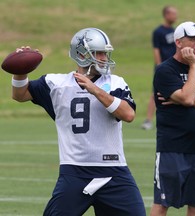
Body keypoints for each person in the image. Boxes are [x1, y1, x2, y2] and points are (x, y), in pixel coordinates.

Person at [11, 28, 146, 216]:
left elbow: (128, 114)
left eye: (105, 53)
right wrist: (20, 72)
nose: (104, 58)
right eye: (99, 53)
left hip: (114, 172)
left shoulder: (115, 82)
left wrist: (95, 90)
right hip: (75, 171)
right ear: (81, 53)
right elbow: (20, 94)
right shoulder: (56, 84)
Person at [150, 21, 195, 216]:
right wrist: (193, 67)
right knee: (162, 203)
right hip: (173, 148)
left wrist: (186, 99)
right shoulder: (165, 70)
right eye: (193, 39)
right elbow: (187, 98)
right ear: (179, 42)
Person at [141, 5, 178, 130]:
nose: (175, 16)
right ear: (166, 15)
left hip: (175, 67)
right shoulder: (158, 32)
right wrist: (159, 66)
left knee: (175, 93)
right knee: (155, 93)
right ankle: (148, 120)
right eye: (173, 13)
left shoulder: (174, 31)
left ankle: (172, 119)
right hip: (163, 67)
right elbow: (156, 50)